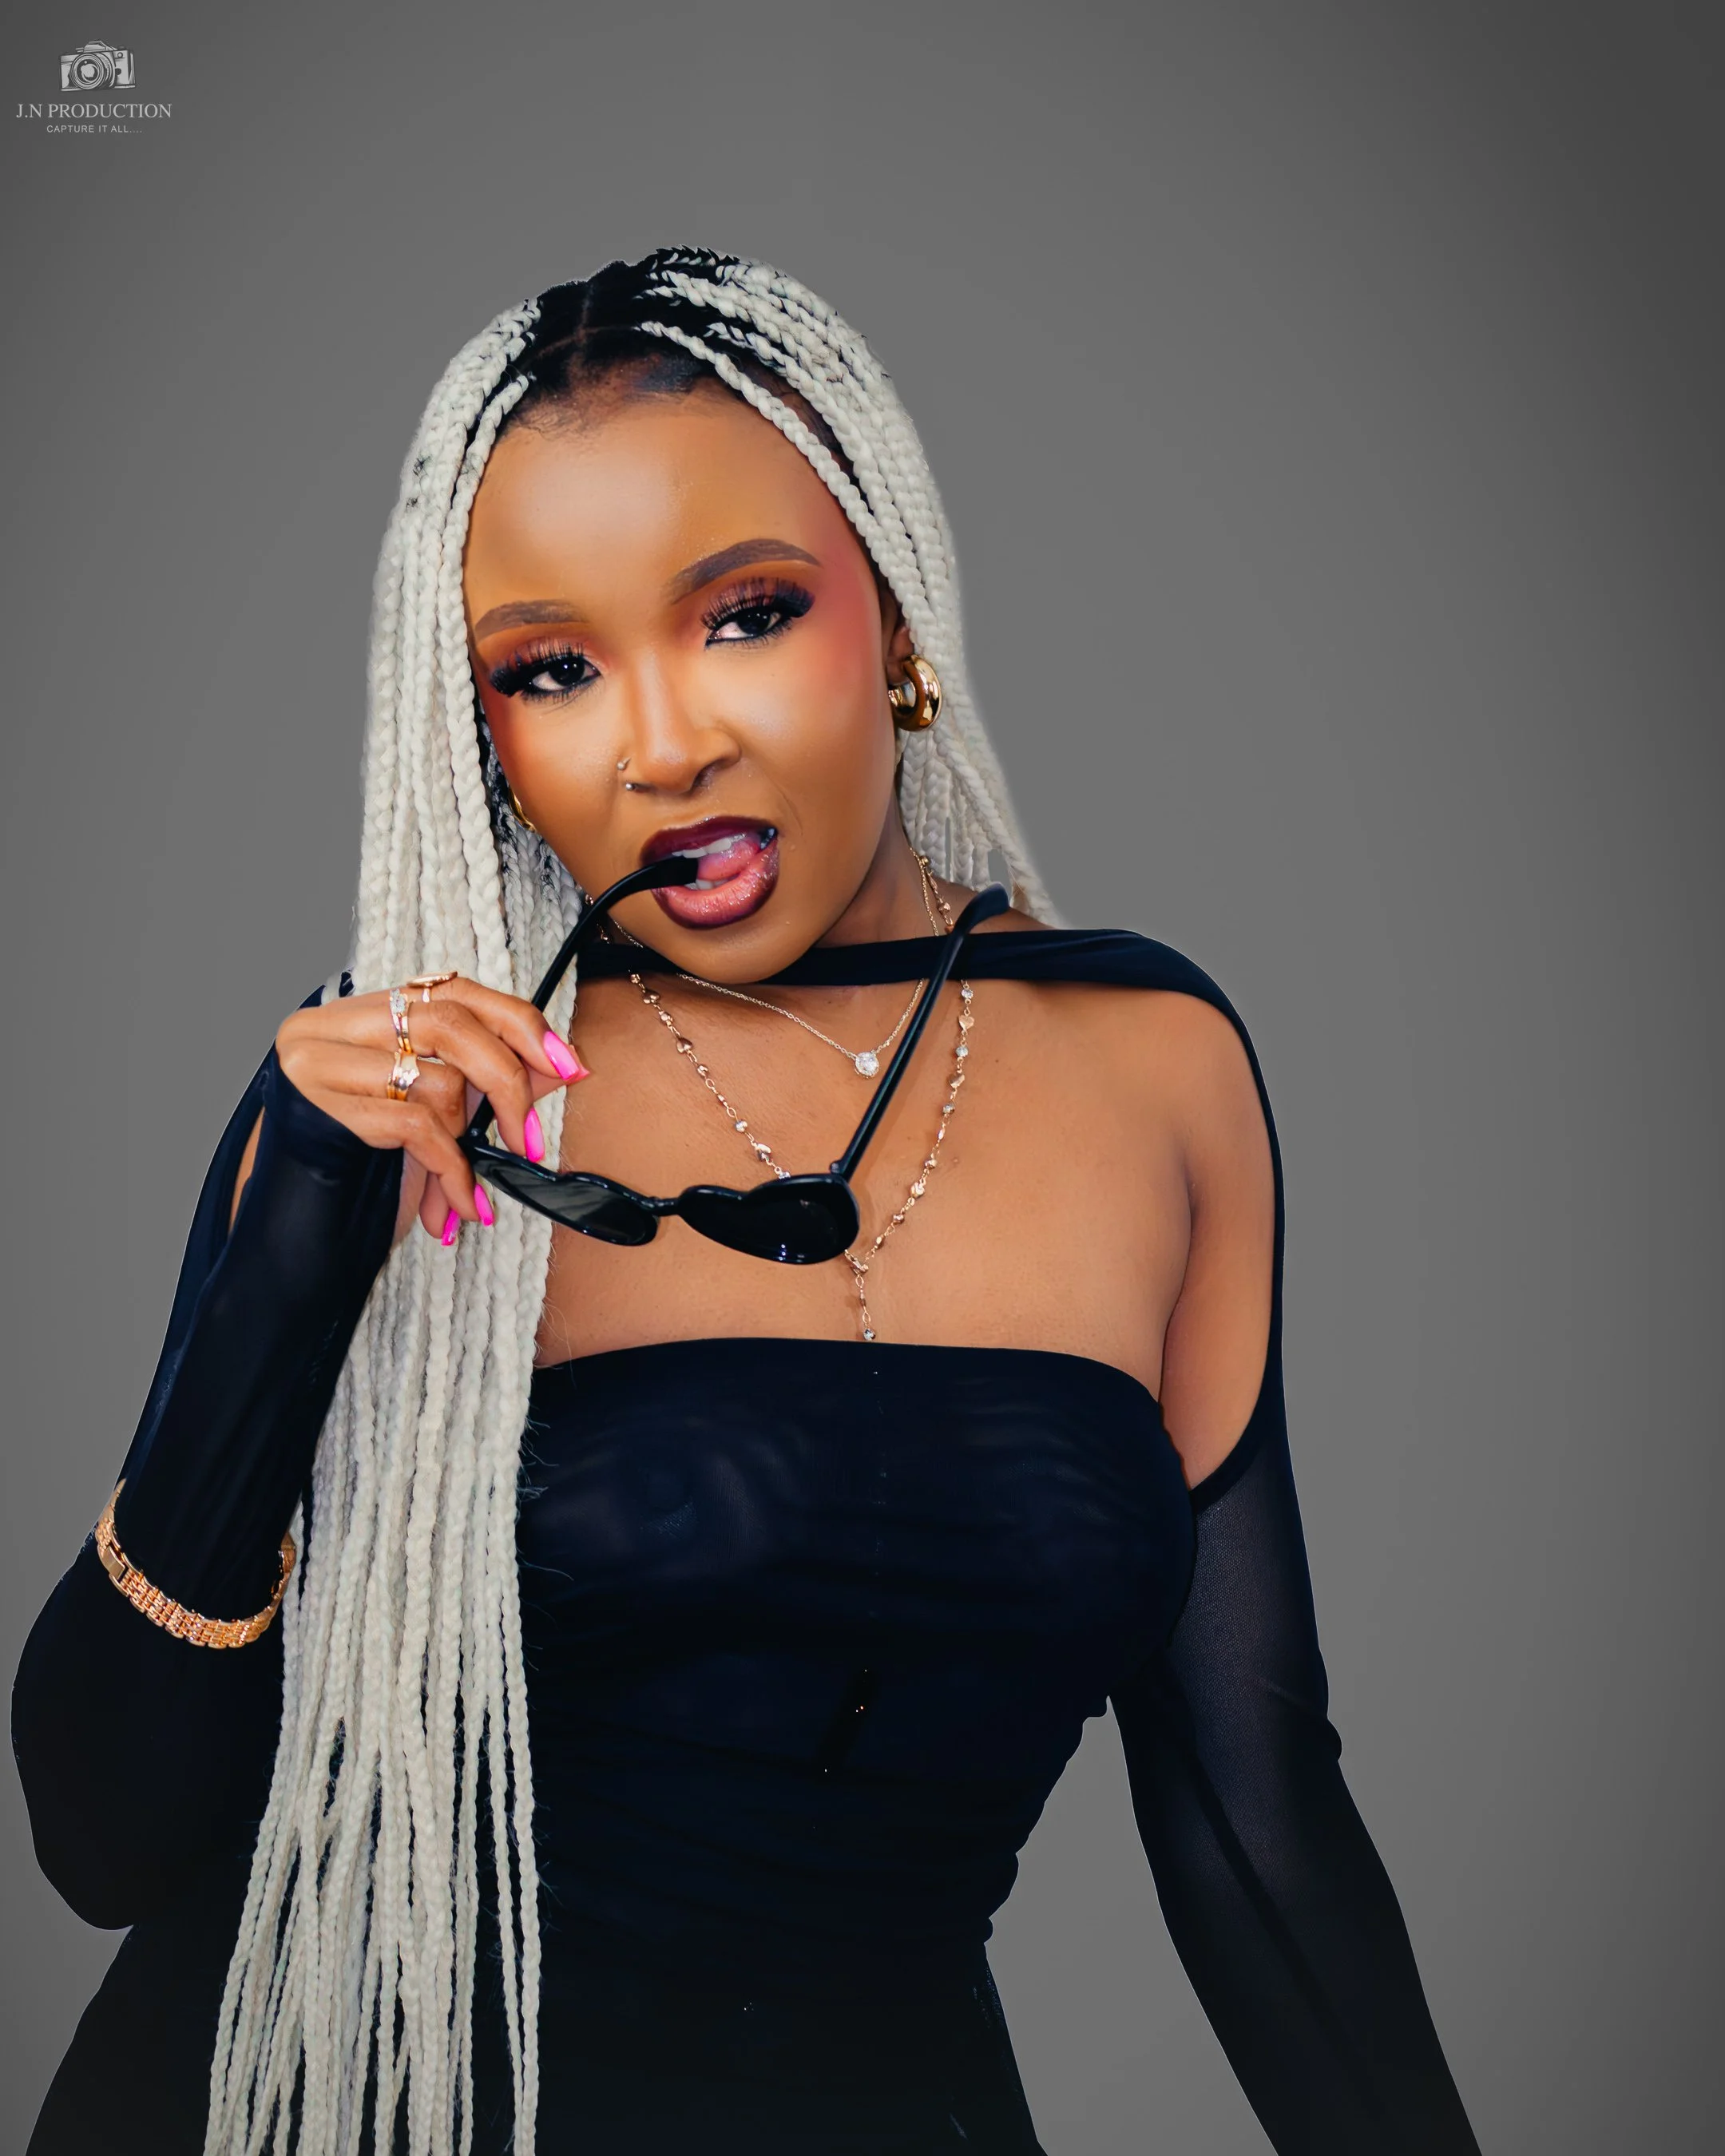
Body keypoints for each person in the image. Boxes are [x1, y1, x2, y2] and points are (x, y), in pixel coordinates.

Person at [12, 248, 1481, 2155]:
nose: (660, 743)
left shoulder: (1156, 1062)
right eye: (550, 668)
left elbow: (1250, 1815)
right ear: (483, 734)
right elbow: (103, 1836)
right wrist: (292, 1248)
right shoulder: (410, 1100)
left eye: (746, 614)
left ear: (893, 613)